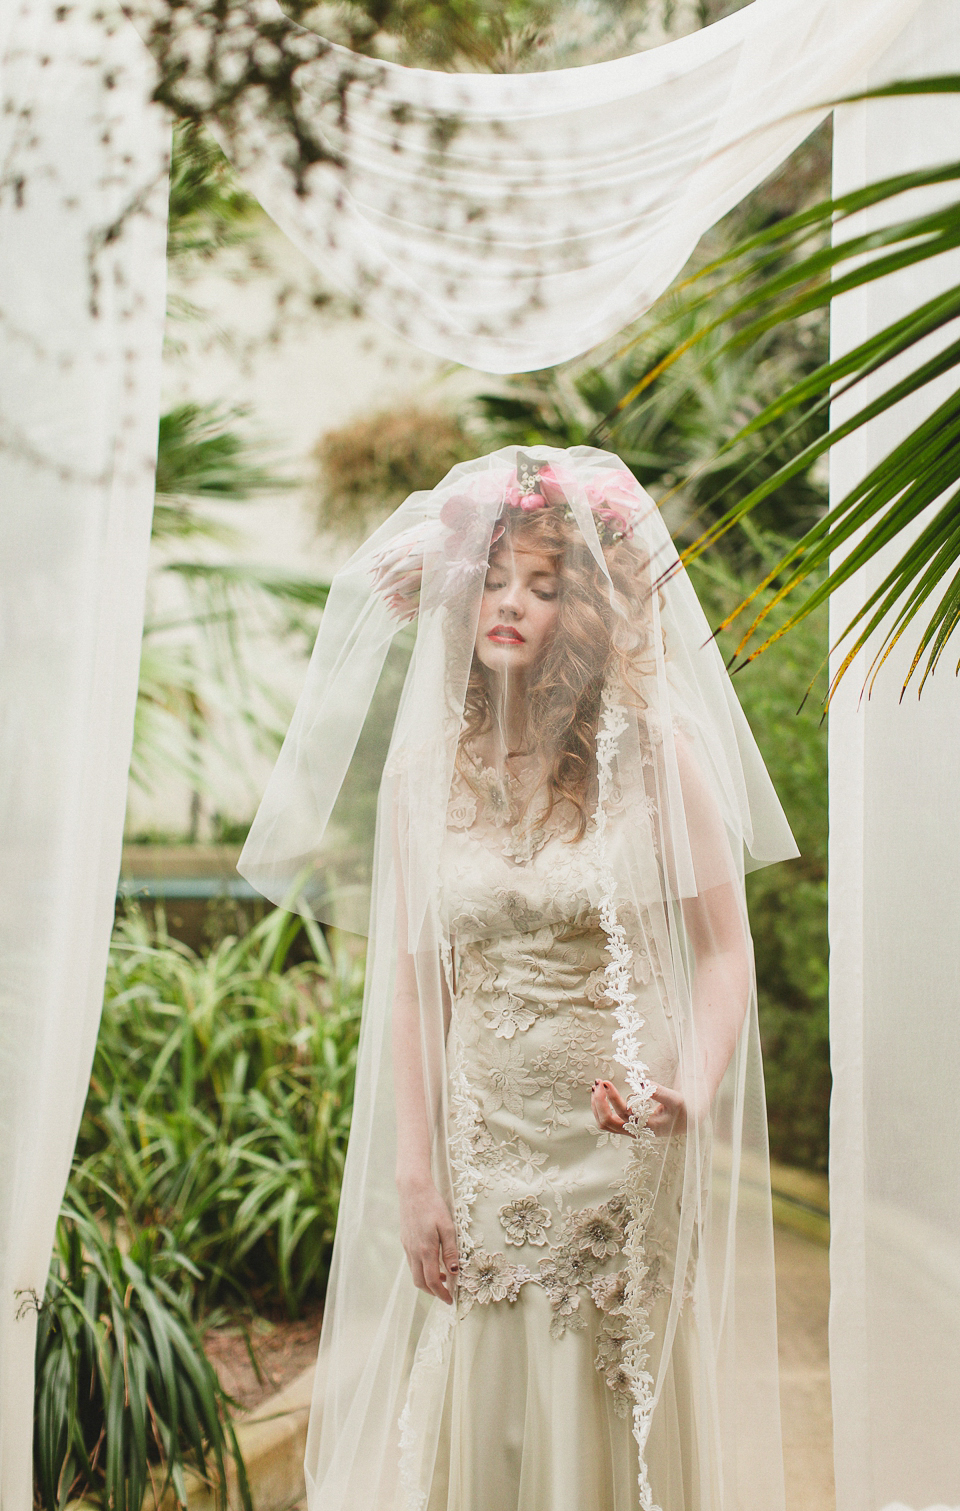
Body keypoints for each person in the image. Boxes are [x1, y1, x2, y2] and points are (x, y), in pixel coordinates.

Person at [238, 446, 799, 1511]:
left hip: (619, 1142)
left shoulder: (656, 752)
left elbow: (726, 948)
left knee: (601, 1405)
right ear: (459, 594)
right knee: (487, 1407)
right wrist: (416, 1170)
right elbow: (415, 982)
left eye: (544, 585)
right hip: (485, 1137)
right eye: (494, 577)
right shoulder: (425, 774)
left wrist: (697, 1084)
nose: (511, 602)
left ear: (582, 609)